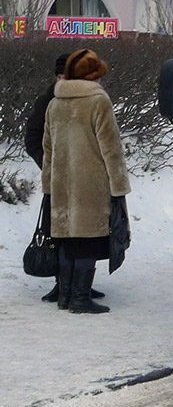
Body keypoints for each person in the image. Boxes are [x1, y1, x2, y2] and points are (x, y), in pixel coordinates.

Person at [42, 49, 131, 314]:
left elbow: (48, 149)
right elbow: (111, 149)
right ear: (92, 76)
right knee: (88, 239)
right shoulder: (98, 102)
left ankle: (65, 297)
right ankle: (80, 299)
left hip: (61, 185)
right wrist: (119, 187)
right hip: (91, 184)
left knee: (68, 240)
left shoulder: (54, 103)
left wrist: (48, 185)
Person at [23, 53, 105, 303]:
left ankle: (75, 288)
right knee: (58, 234)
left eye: (65, 75)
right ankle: (64, 287)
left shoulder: (88, 99)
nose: (62, 79)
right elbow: (34, 139)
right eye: (59, 76)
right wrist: (50, 166)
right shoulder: (49, 101)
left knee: (81, 235)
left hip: (81, 180)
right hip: (59, 181)